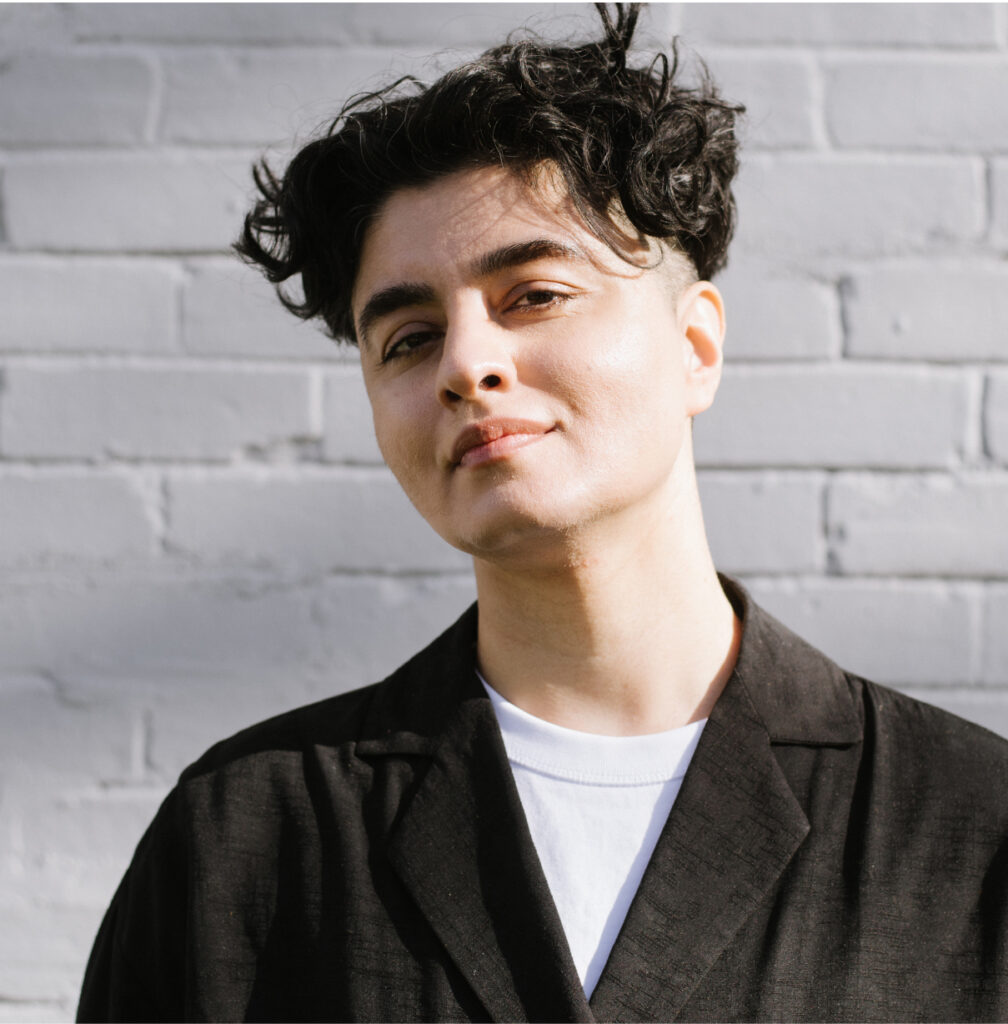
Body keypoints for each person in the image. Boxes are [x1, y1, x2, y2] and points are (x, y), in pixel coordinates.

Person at [78, 6, 1008, 1021]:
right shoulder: (250, 838)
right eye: (408, 338)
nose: (467, 366)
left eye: (534, 296)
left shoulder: (965, 825)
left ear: (694, 346)